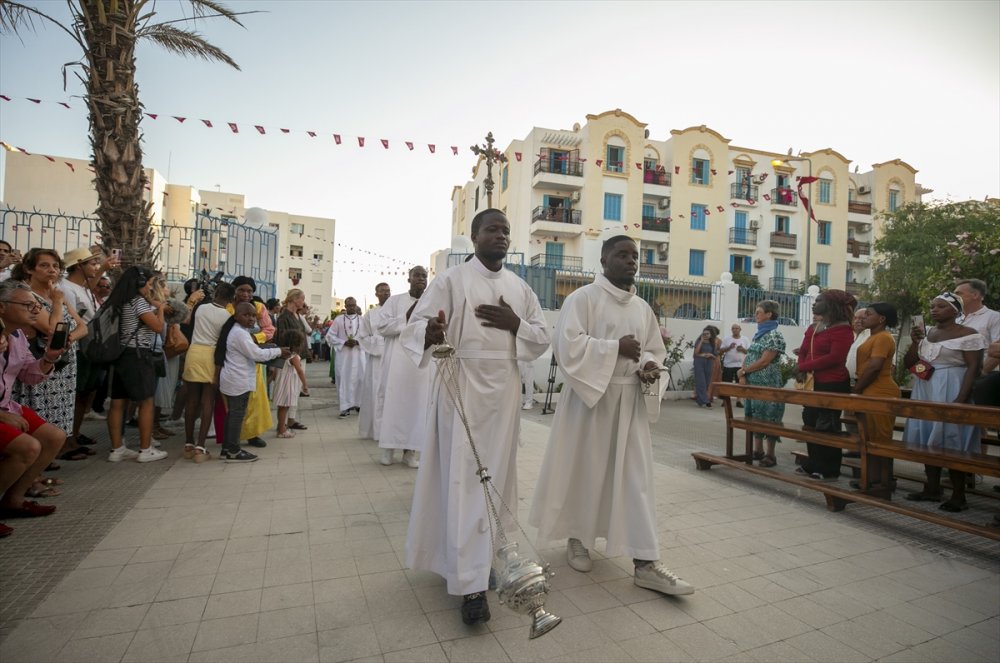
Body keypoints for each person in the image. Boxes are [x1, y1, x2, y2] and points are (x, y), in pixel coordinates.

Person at [401, 209, 549, 625]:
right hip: (460, 388)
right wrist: (430, 334)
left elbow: (541, 337)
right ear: (474, 236)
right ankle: (469, 586)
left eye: (505, 229)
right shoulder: (450, 280)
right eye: (492, 229)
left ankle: (488, 560)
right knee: (464, 480)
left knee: (497, 480)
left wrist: (514, 322)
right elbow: (418, 325)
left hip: (502, 396)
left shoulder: (520, 288)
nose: (500, 235)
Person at [529, 236, 693, 597]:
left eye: (635, 255)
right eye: (622, 254)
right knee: (586, 472)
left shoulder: (642, 307)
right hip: (590, 402)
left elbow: (653, 349)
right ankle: (578, 537)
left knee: (635, 480)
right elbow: (566, 345)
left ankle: (645, 562)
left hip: (628, 400)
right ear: (603, 259)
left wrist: (650, 367)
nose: (631, 261)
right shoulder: (583, 299)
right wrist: (614, 348)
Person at [903, 292, 985, 512]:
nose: (934, 310)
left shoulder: (968, 334)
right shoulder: (928, 333)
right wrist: (915, 343)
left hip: (953, 385)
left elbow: (973, 367)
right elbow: (911, 364)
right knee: (927, 435)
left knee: (951, 438)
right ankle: (932, 488)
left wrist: (960, 399)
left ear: (955, 310)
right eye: (932, 306)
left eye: (940, 306)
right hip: (926, 387)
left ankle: (959, 495)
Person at [0, 280, 69, 537]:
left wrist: (49, 357)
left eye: (36, 305)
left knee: (54, 436)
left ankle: (13, 500)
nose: (35, 310)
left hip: (7, 405)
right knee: (27, 447)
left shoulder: (17, 336)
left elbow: (30, 375)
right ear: (2, 307)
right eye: (27, 304)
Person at [11, 249, 90, 461]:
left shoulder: (56, 293)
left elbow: (83, 327)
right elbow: (52, 330)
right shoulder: (29, 296)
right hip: (40, 366)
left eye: (55, 266)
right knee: (39, 419)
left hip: (64, 366)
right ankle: (31, 473)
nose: (51, 270)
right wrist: (56, 303)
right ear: (29, 269)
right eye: (44, 266)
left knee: (58, 420)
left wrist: (70, 337)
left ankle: (43, 466)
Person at [103, 266, 170, 463]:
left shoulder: (119, 301)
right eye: (149, 284)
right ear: (139, 284)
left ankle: (117, 449)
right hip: (139, 356)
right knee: (146, 401)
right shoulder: (138, 302)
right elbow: (157, 328)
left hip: (120, 355)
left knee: (117, 402)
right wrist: (159, 309)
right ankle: (145, 449)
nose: (150, 288)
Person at [216, 303, 290, 462]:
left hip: (236, 379)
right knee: (236, 415)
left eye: (253, 315)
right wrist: (278, 351)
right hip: (237, 380)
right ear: (236, 316)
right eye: (246, 315)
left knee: (233, 415)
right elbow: (256, 354)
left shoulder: (240, 331)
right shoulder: (239, 333)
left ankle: (227, 448)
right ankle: (233, 451)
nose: (250, 318)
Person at [795, 290, 856, 481]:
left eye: (819, 301)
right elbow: (804, 349)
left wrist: (804, 366)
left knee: (827, 424)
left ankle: (828, 468)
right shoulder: (815, 327)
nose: (814, 304)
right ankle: (813, 462)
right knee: (810, 419)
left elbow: (835, 358)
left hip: (833, 382)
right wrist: (801, 367)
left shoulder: (843, 330)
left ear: (831, 305)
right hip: (814, 381)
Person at [60, 247, 117, 449]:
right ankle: (67, 439)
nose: (95, 267)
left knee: (86, 393)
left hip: (90, 346)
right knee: (76, 394)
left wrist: (101, 269)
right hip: (78, 347)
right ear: (78, 266)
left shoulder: (82, 287)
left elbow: (89, 289)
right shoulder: (65, 287)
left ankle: (74, 434)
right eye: (91, 264)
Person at [214, 276, 275, 448]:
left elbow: (269, 329)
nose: (246, 294)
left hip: (253, 360)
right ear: (234, 290)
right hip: (229, 359)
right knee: (231, 401)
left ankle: (253, 434)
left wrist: (254, 338)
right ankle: (230, 439)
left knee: (254, 400)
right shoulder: (226, 307)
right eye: (241, 290)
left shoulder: (259, 307)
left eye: (249, 291)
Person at [378, 268, 429, 466]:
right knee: (394, 403)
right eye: (417, 275)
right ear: (409, 279)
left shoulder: (431, 301)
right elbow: (381, 327)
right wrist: (405, 319)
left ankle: (410, 453)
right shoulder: (395, 301)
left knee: (417, 406)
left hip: (420, 364)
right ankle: (388, 449)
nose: (421, 279)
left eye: (424, 276)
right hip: (397, 362)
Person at [182, 282, 234, 462]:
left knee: (191, 400)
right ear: (231, 299)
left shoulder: (201, 308)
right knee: (207, 401)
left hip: (193, 352)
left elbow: (187, 322)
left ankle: (188, 443)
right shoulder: (227, 315)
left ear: (216, 292)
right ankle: (200, 447)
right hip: (211, 356)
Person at [737, 301, 787, 468]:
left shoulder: (774, 335)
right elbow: (751, 355)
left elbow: (765, 361)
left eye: (759, 312)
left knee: (770, 417)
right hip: (754, 383)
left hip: (768, 384)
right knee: (755, 415)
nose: (756, 315)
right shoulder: (758, 335)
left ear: (769, 314)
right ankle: (757, 450)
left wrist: (745, 371)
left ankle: (770, 454)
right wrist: (742, 373)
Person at [851, 303, 901, 450]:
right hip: (869, 389)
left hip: (880, 390)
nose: (863, 318)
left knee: (880, 441)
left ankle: (882, 473)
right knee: (869, 440)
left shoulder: (884, 338)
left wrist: (857, 389)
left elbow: (874, 367)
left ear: (881, 319)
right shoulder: (872, 337)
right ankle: (871, 473)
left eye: (868, 314)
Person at [358, 282, 390, 441]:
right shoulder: (370, 314)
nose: (386, 293)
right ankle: (376, 432)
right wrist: (380, 344)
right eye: (382, 291)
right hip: (377, 360)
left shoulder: (396, 311)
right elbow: (362, 336)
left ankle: (389, 430)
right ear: (376, 294)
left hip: (393, 358)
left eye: (388, 291)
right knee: (376, 393)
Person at [276, 289, 310, 431]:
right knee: (288, 391)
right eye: (301, 298)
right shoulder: (284, 317)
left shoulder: (297, 315)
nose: (303, 301)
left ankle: (291, 419)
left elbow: (307, 331)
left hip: (300, 354)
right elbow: (281, 338)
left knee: (295, 390)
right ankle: (283, 423)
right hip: (290, 357)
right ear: (294, 299)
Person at [327, 297, 366, 418]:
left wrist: (359, 342)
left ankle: (359, 404)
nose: (351, 307)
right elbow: (330, 336)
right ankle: (345, 407)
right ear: (345, 306)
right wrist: (343, 342)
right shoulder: (338, 320)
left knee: (360, 379)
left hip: (359, 355)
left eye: (353, 305)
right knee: (344, 379)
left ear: (356, 305)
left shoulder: (363, 320)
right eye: (349, 305)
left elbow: (369, 336)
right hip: (344, 356)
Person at [954, 278, 999, 374]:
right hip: (957, 378)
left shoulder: (994, 317)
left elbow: (997, 351)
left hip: (983, 379)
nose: (954, 297)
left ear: (975, 295)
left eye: (958, 293)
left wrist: (981, 375)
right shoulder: (955, 320)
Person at [273, 328, 308, 438]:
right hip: (288, 386)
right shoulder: (294, 357)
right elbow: (300, 371)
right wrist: (305, 384)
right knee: (285, 407)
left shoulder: (281, 355)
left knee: (281, 407)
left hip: (281, 384)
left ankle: (280, 427)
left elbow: (275, 371)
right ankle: (282, 430)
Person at [720, 323, 749, 407]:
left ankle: (738, 401)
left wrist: (742, 349)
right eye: (733, 328)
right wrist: (729, 347)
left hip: (740, 365)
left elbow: (749, 352)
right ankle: (725, 400)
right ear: (731, 330)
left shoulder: (745, 339)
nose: (735, 330)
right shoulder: (727, 339)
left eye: (736, 328)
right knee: (726, 383)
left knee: (739, 383)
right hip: (728, 365)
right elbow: (721, 350)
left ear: (740, 329)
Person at [693, 325, 720, 407]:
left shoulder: (713, 343)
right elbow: (696, 353)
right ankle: (705, 401)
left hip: (709, 362)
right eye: (704, 333)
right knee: (701, 382)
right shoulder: (699, 341)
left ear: (711, 334)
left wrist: (710, 355)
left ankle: (700, 400)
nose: (705, 335)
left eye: (707, 333)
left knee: (707, 382)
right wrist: (701, 341)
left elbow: (715, 355)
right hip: (699, 362)